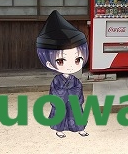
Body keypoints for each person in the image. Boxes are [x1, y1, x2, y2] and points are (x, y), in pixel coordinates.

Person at [36, 10, 89, 138]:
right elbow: (54, 93)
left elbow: (78, 90)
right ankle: (60, 130)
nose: (71, 65)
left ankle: (80, 129)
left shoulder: (75, 80)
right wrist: (65, 95)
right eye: (60, 60)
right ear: (49, 63)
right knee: (60, 111)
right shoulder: (56, 80)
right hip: (63, 102)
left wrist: (73, 95)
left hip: (73, 102)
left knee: (76, 111)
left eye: (77, 59)